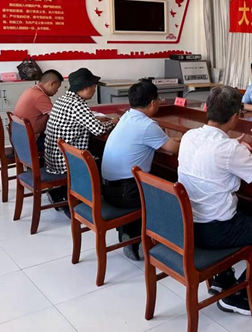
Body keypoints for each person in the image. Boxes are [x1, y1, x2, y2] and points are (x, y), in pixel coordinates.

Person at [178, 86, 252, 316]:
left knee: (246, 209)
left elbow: (212, 154)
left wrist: (233, 146)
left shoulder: (189, 136)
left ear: (207, 108)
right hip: (215, 230)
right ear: (236, 116)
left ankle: (223, 277)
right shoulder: (228, 149)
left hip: (187, 225)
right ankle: (240, 295)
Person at [101, 80, 180, 260]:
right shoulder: (147, 125)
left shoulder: (127, 117)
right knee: (172, 192)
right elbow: (173, 149)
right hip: (126, 193)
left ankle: (128, 232)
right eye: (158, 99)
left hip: (109, 188)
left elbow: (162, 142)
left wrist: (171, 140)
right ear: (153, 103)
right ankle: (148, 240)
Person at [44, 68, 114, 210]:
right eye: (94, 86)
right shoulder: (77, 104)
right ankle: (93, 195)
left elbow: (80, 120)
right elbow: (98, 130)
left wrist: (95, 120)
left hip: (54, 157)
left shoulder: (63, 99)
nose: (95, 89)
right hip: (66, 162)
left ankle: (64, 193)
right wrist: (113, 122)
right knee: (105, 159)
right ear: (85, 87)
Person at [14, 69, 63, 151]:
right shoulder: (40, 96)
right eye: (57, 87)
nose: (57, 91)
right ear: (52, 83)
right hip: (31, 141)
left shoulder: (30, 90)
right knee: (65, 143)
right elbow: (57, 117)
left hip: (20, 138)